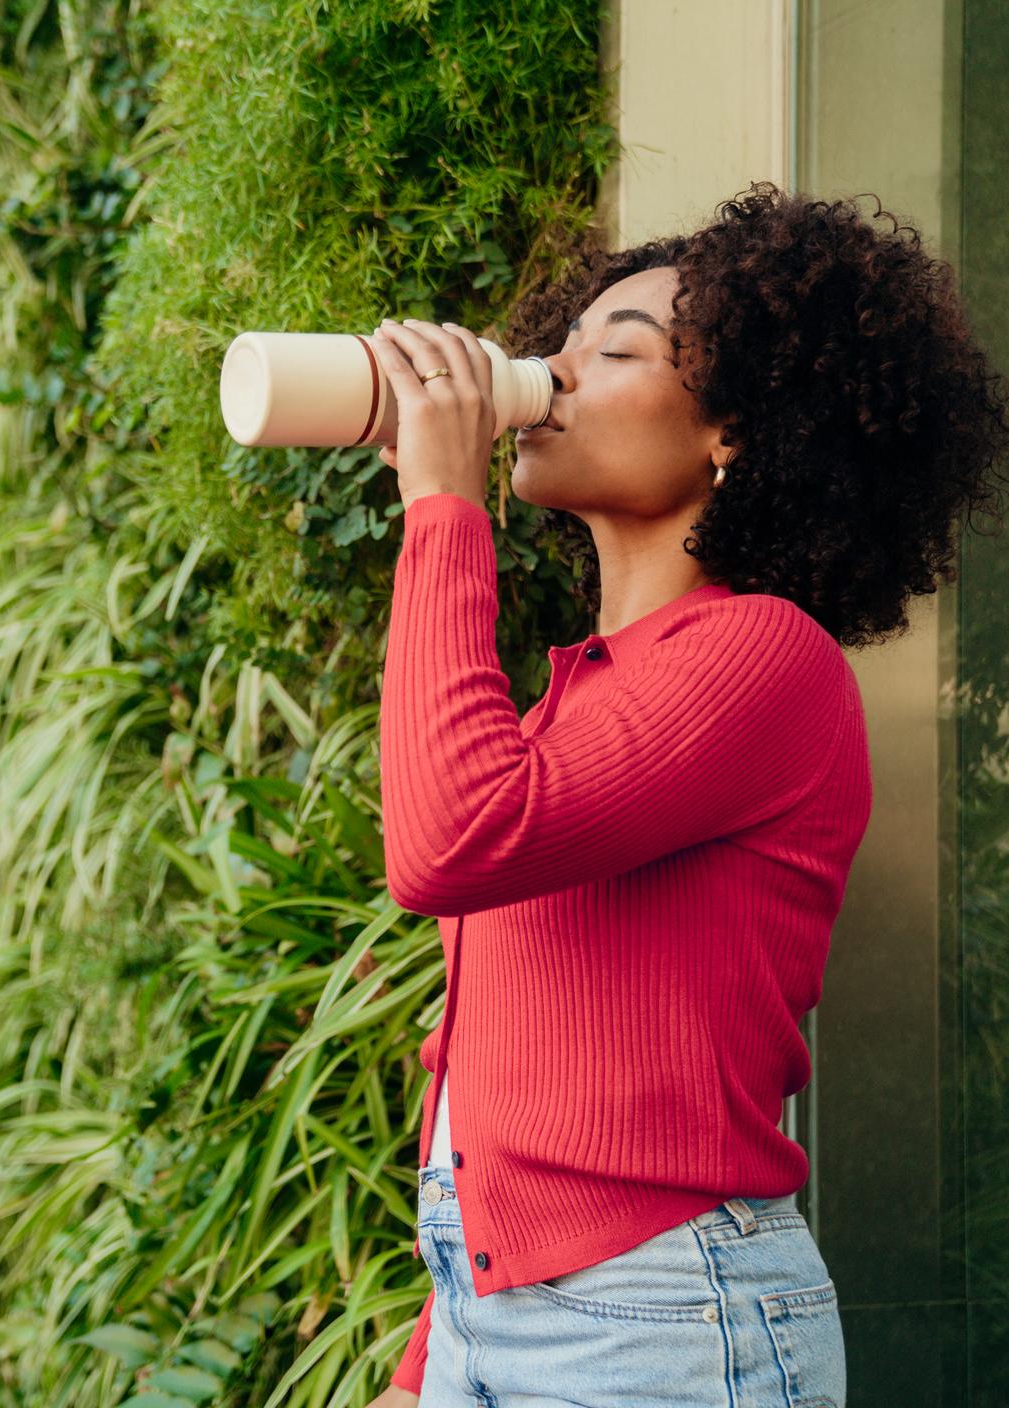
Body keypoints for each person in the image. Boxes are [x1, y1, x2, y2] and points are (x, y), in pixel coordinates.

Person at [361, 182, 1009, 1407]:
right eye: (562, 345)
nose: (551, 375)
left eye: (616, 351)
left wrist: (440, 507)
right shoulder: (587, 696)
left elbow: (446, 840)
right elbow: (506, 1060)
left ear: (736, 433)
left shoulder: (766, 658)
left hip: (657, 1328)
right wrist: (429, 1353)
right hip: (491, 1315)